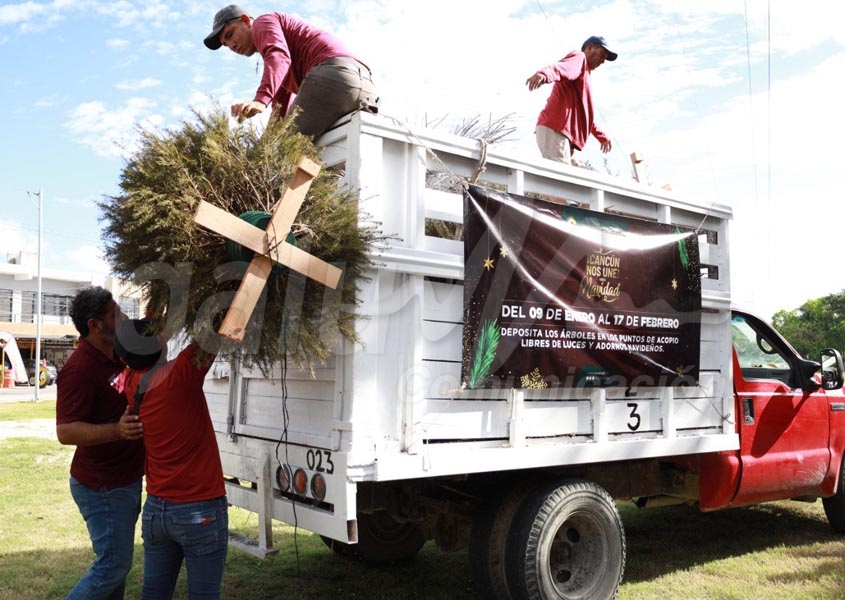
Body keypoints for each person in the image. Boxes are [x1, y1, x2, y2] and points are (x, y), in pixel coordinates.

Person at [113, 318, 227, 600]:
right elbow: (219, 323)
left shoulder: (131, 382)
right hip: (198, 510)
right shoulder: (181, 373)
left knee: (154, 593)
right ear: (157, 344)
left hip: (157, 510)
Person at [56, 286, 145, 600]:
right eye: (115, 314)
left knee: (114, 576)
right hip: (102, 487)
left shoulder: (119, 354)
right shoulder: (79, 369)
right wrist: (117, 431)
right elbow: (66, 431)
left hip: (125, 479)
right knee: (113, 566)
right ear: (95, 325)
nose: (123, 317)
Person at [203, 4, 379, 139]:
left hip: (332, 77)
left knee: (285, 154)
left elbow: (278, 56)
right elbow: (279, 109)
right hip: (364, 86)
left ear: (246, 20)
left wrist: (259, 100)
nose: (232, 46)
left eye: (230, 34)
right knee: (324, 165)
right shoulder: (281, 64)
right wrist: (265, 146)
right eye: (226, 45)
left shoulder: (263, 23)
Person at [526, 35, 618, 165]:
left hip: (565, 136)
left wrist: (600, 135)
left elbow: (583, 114)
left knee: (580, 176)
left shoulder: (585, 76)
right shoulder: (579, 58)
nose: (603, 61)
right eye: (602, 55)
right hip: (556, 128)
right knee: (562, 178)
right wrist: (544, 74)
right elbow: (562, 68)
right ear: (590, 48)